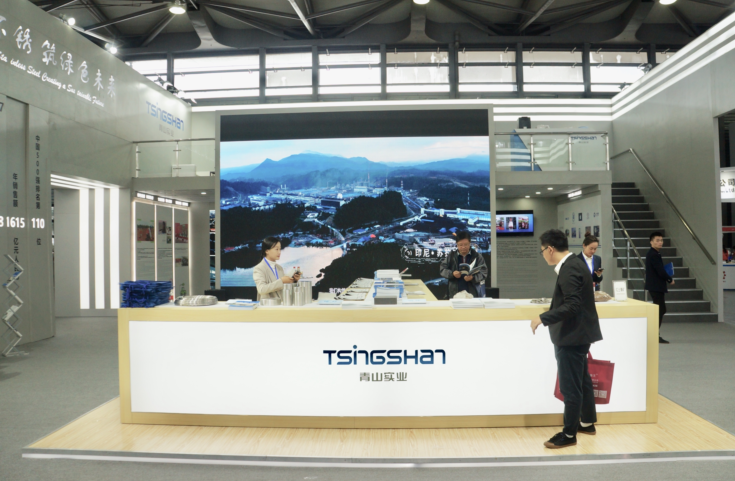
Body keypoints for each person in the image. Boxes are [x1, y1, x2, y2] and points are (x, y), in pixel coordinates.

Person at [531, 229, 603, 449]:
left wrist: (542, 318)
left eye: (542, 251)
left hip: (572, 335)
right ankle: (587, 422)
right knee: (581, 380)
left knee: (570, 387)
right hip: (579, 334)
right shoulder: (575, 264)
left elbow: (572, 305)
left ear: (550, 249)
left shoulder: (570, 268)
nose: (543, 255)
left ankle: (569, 434)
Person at [645, 231, 674, 344]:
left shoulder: (655, 253)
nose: (660, 242)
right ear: (651, 242)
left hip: (656, 286)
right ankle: (654, 334)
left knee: (660, 309)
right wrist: (669, 279)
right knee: (660, 310)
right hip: (655, 286)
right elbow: (660, 271)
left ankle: (654, 334)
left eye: (661, 240)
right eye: (657, 240)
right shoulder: (653, 254)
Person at [439, 231, 488, 298]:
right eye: (460, 245)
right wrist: (452, 274)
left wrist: (473, 278)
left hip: (473, 293)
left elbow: (484, 272)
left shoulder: (477, 256)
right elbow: (442, 269)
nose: (463, 247)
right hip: (454, 293)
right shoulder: (451, 256)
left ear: (470, 243)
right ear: (457, 244)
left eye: (466, 244)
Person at [253, 236, 301, 301]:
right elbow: (261, 289)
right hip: (267, 306)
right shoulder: (259, 268)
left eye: (280, 249)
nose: (279, 252)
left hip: (281, 305)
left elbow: (285, 288)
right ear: (267, 251)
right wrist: (281, 281)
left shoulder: (279, 268)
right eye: (276, 249)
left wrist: (293, 280)